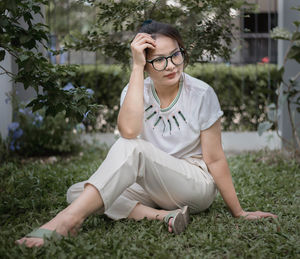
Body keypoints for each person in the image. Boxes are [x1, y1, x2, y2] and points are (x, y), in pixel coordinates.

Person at [16, 20, 277, 248]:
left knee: (128, 151)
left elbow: (215, 159)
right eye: (159, 60)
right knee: (78, 193)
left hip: (193, 184)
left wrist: (239, 212)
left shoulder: (201, 93)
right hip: (150, 186)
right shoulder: (135, 89)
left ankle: (66, 221)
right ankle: (163, 216)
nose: (171, 65)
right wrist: (135, 69)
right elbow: (129, 129)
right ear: (146, 63)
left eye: (176, 55)